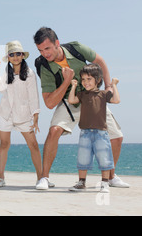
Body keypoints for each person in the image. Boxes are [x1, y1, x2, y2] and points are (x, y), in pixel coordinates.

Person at [33, 27, 129, 190]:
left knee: (117, 137)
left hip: (93, 98)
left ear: (57, 43)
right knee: (54, 130)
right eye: (40, 50)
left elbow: (100, 62)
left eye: (47, 48)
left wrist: (108, 86)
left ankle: (111, 177)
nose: (45, 54)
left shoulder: (76, 48)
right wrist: (66, 81)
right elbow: (49, 103)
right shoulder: (43, 65)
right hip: (70, 101)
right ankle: (44, 178)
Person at [0, 40, 42, 187]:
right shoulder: (6, 73)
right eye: (12, 54)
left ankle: (41, 178)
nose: (15, 57)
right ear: (8, 57)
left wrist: (36, 116)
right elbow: (0, 89)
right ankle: (0, 177)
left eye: (18, 54)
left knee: (33, 145)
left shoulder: (30, 74)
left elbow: (33, 96)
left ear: (22, 56)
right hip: (5, 114)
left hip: (24, 116)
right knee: (4, 144)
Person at [68, 64, 120, 192]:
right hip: (85, 132)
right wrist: (74, 86)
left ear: (98, 80)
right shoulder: (82, 94)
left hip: (101, 132)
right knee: (83, 158)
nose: (86, 82)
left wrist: (114, 85)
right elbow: (71, 100)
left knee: (104, 157)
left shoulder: (103, 94)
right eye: (83, 79)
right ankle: (81, 182)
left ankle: (104, 183)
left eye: (89, 79)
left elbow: (116, 100)